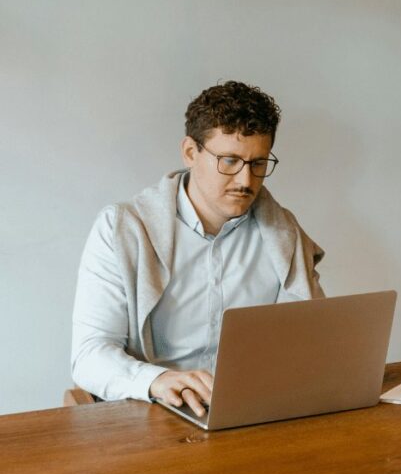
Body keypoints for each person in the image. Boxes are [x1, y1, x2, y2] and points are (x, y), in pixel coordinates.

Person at [71, 81, 324, 417]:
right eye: (230, 161)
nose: (246, 181)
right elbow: (89, 355)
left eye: (258, 163)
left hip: (251, 412)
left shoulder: (283, 233)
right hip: (151, 411)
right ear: (191, 152)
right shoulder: (121, 229)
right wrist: (158, 379)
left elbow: (310, 336)